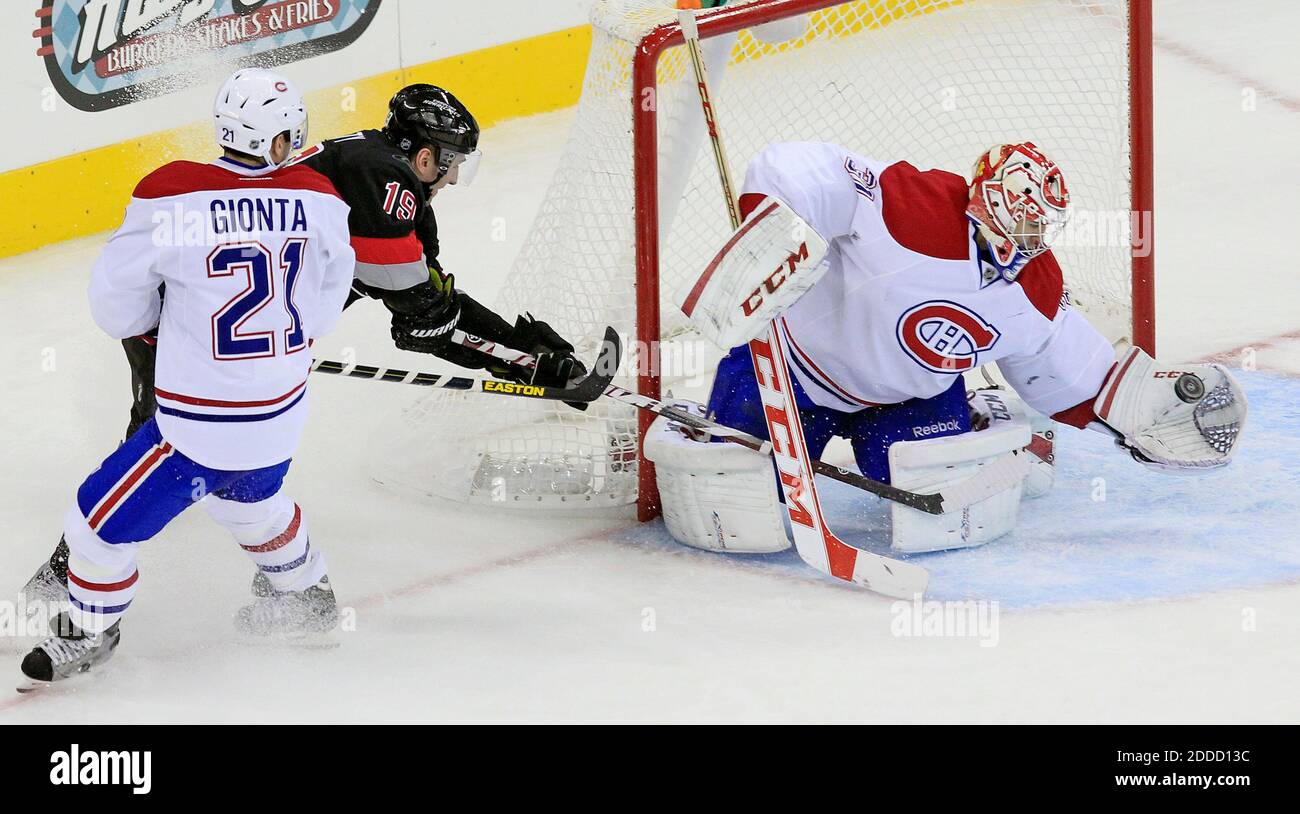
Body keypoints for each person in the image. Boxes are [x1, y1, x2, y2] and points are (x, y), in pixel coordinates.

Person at [23, 83, 584, 603]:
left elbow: (421, 309)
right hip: (197, 323)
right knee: (168, 441)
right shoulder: (384, 187)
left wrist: (518, 355)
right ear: (424, 155)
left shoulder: (369, 165)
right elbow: (422, 319)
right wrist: (529, 362)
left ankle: (234, 570)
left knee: (193, 449)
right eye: (452, 161)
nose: (454, 178)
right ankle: (79, 570)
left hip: (203, 317)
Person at [645, 141, 1247, 555]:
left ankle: (978, 427)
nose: (1020, 243)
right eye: (1013, 220)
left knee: (945, 513)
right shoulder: (908, 205)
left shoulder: (1035, 288)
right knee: (731, 496)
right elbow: (799, 169)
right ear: (981, 198)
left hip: (912, 400)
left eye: (1037, 232)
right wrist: (776, 229)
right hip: (793, 371)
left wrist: (1140, 410)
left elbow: (1062, 365)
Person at [19, 68, 356, 689]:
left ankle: (92, 629)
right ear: (276, 140)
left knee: (92, 527)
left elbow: (115, 308)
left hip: (194, 430)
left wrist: (166, 320)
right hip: (281, 419)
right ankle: (308, 595)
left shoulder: (172, 194)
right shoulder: (322, 200)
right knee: (248, 502)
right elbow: (325, 311)